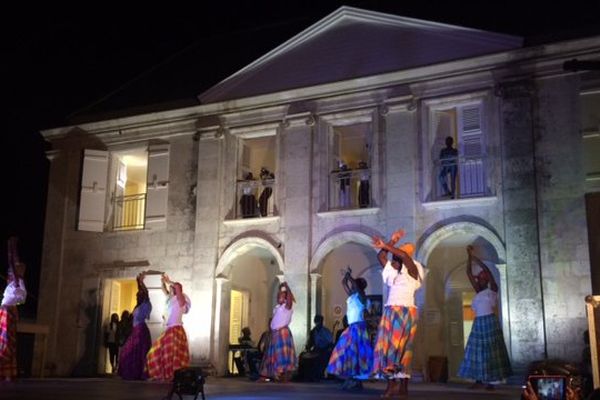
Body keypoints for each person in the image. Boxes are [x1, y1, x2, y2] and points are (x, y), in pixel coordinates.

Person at [371, 229, 424, 398]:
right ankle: (392, 384)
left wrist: (388, 245)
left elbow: (405, 257)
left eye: (398, 255)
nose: (394, 257)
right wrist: (391, 240)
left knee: (404, 350)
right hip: (390, 311)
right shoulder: (393, 272)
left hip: (406, 311)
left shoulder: (414, 269)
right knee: (388, 349)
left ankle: (403, 387)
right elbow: (381, 257)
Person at [458, 245, 512, 389]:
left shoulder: (492, 289)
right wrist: (469, 256)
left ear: (487, 280)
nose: (480, 279)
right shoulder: (478, 291)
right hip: (478, 323)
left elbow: (487, 271)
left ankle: (491, 382)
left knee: (490, 351)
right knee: (477, 350)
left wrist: (476, 259)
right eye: (479, 278)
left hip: (489, 321)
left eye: (482, 278)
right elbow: (469, 273)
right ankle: (479, 380)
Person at [327, 267, 373, 391]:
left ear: (359, 286)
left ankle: (355, 379)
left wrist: (350, 277)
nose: (352, 287)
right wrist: (347, 276)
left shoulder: (362, 297)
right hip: (351, 327)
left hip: (358, 328)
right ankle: (352, 379)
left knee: (355, 354)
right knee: (345, 352)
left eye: (354, 285)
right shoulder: (352, 296)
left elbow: (356, 287)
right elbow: (343, 283)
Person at [146, 274, 191, 381]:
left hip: (176, 330)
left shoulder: (181, 300)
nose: (170, 290)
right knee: (159, 352)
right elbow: (164, 290)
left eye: (172, 289)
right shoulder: (171, 299)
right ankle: (164, 374)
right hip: (169, 330)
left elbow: (177, 286)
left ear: (176, 290)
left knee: (173, 354)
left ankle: (173, 376)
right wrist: (163, 282)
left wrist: (169, 281)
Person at [0, 237, 26, 381]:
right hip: (6, 311)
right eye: (19, 267)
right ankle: (4, 371)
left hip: (11, 311)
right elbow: (12, 261)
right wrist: (12, 246)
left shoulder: (19, 281)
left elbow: (16, 303)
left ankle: (7, 373)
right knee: (5, 343)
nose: (21, 268)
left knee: (10, 343)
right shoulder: (13, 280)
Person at [259, 282, 297, 382]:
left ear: (285, 298)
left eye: (281, 295)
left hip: (282, 333)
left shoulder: (287, 307)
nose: (278, 296)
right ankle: (271, 375)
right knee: (272, 355)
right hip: (275, 333)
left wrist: (287, 288)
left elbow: (289, 299)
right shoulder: (277, 308)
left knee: (282, 355)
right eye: (278, 295)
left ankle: (283, 376)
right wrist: (281, 288)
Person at [118, 272, 152, 380]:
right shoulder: (137, 307)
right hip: (136, 331)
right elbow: (141, 292)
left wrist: (141, 282)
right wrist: (138, 281)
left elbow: (145, 292)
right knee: (129, 352)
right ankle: (133, 373)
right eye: (137, 295)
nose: (137, 296)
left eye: (139, 295)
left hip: (140, 331)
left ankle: (138, 373)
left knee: (136, 352)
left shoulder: (145, 305)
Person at [298, 314, 333, 382]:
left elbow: (330, 344)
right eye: (317, 321)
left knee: (321, 357)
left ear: (322, 322)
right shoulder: (313, 331)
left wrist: (323, 349)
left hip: (324, 350)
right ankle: (304, 376)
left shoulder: (326, 332)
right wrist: (308, 347)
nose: (318, 323)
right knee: (303, 355)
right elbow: (310, 344)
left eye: (319, 321)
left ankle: (317, 376)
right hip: (316, 350)